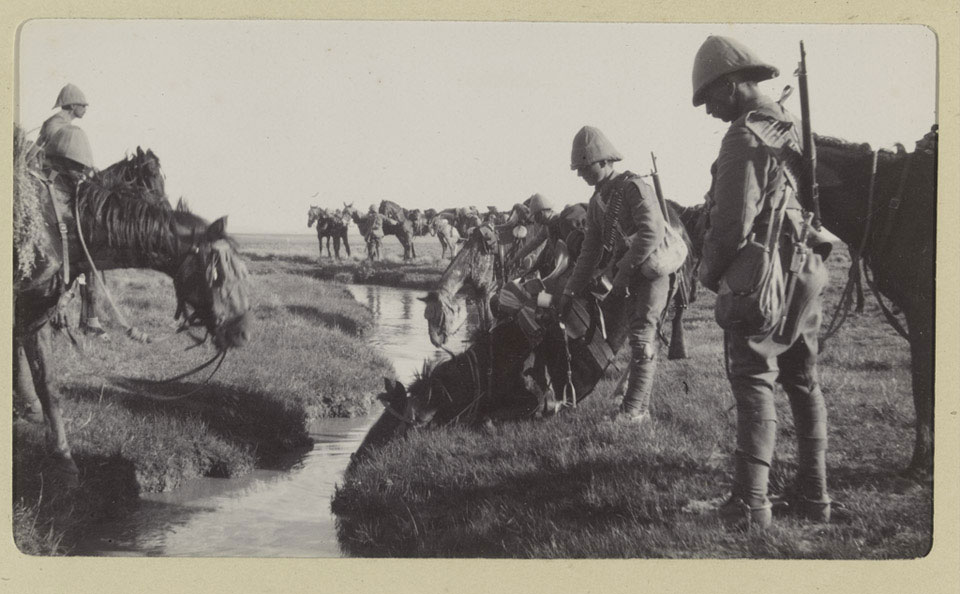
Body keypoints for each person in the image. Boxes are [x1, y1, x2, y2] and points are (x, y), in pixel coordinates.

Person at [691, 35, 834, 529]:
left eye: (710, 98)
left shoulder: (744, 134)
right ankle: (814, 496)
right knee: (803, 379)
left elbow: (731, 223)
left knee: (753, 379)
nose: (709, 111)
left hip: (764, 277)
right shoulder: (789, 124)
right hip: (805, 270)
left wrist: (709, 273)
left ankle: (751, 504)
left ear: (731, 86)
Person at [557, 126, 670, 425]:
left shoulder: (632, 188)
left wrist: (623, 269)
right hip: (630, 275)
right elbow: (589, 254)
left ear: (605, 161)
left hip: (650, 272)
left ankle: (633, 411)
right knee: (638, 339)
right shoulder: (597, 202)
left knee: (644, 340)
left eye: (586, 167)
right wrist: (569, 292)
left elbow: (652, 232)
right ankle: (635, 408)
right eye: (579, 169)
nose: (581, 174)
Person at [510, 193, 587, 276]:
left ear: (543, 212)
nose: (537, 220)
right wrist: (517, 258)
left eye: (537, 216)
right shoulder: (547, 227)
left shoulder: (564, 222)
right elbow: (533, 243)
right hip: (560, 266)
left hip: (575, 268)